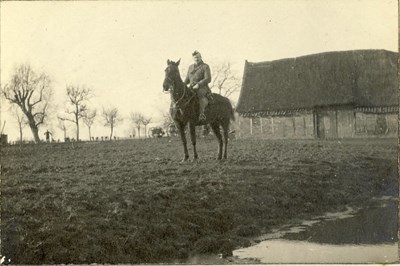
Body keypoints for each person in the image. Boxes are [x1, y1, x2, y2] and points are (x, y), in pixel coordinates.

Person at [184, 50, 212, 121]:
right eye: (195, 57)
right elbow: (187, 79)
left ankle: (202, 114)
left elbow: (208, 78)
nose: (197, 59)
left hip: (202, 87)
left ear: (201, 57)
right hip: (191, 87)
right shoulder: (190, 67)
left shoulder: (205, 66)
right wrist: (182, 85)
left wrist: (198, 84)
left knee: (200, 95)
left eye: (198, 57)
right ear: (193, 58)